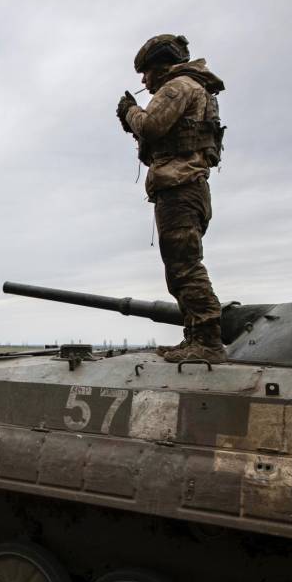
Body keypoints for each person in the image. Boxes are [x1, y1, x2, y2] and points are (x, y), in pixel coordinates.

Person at [117, 34, 228, 363]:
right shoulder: (194, 88)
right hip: (186, 187)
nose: (143, 81)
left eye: (145, 72)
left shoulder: (178, 87)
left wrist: (130, 112)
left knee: (184, 268)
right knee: (180, 268)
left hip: (181, 188)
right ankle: (195, 337)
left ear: (161, 67)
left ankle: (208, 342)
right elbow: (164, 137)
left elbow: (152, 126)